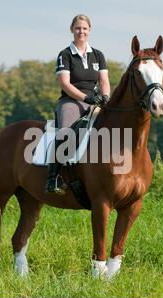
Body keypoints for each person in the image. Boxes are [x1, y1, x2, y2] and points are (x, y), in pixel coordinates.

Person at [45, 14, 111, 195]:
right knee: (66, 132)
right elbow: (64, 83)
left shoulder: (98, 55)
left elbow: (104, 80)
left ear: (89, 30)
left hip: (94, 100)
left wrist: (105, 97)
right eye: (78, 28)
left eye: (84, 28)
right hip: (71, 101)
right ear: (72, 30)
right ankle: (53, 178)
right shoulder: (65, 54)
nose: (81, 31)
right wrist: (85, 98)